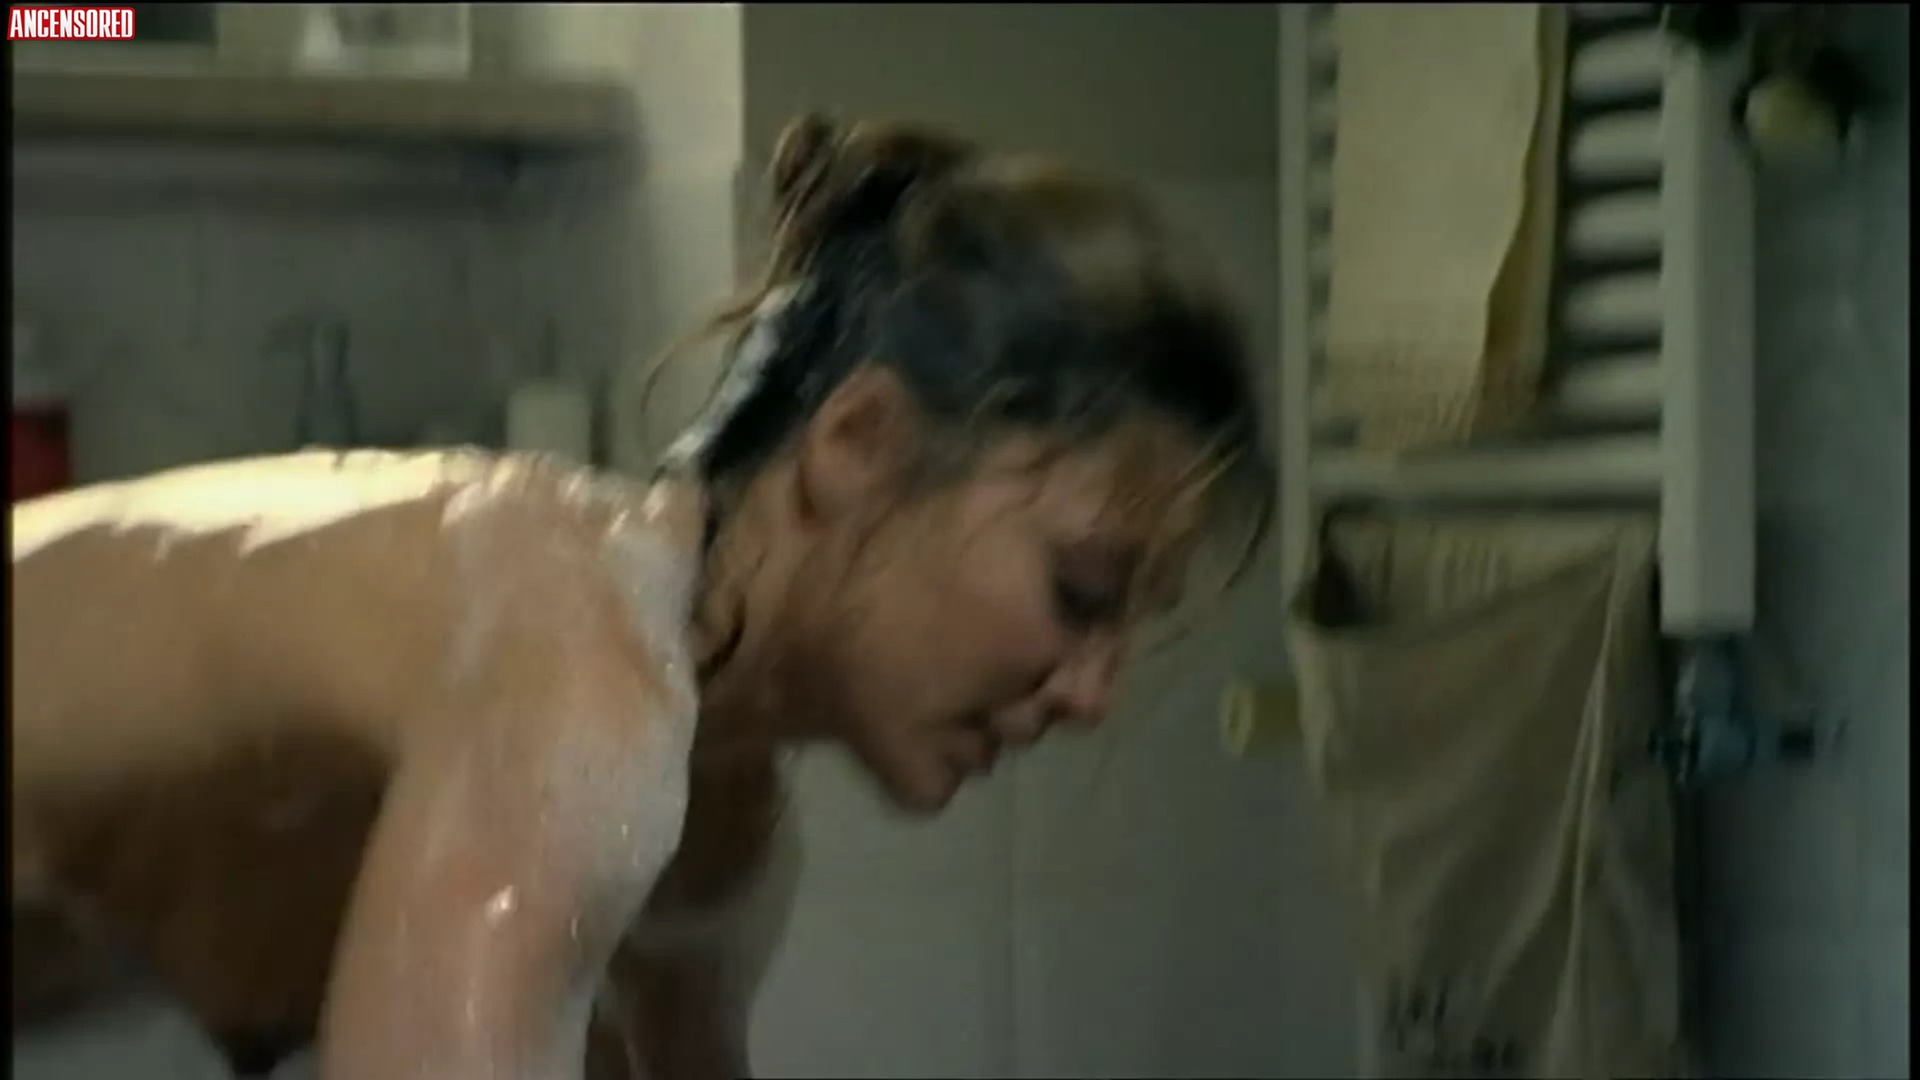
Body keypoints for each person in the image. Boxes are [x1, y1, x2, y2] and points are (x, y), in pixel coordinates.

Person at [9, 114, 1273, 1080]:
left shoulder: (715, 835)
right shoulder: (574, 657)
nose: (1098, 692)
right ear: (859, 444)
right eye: (1084, 591)